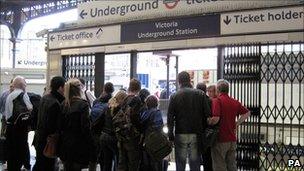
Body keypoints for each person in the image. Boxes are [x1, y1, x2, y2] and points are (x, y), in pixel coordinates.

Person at [167, 71, 211, 171]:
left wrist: (171, 135)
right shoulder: (200, 94)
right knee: (195, 163)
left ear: (179, 81)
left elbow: (170, 117)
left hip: (180, 132)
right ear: (189, 80)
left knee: (180, 163)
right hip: (196, 132)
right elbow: (207, 114)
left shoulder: (174, 96)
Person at [208, 79, 251, 171]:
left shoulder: (217, 101)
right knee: (231, 165)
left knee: (219, 165)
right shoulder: (234, 102)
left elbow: (216, 119)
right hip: (232, 139)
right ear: (228, 89)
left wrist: (208, 121)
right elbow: (247, 113)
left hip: (220, 139)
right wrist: (236, 123)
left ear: (218, 90)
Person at [59, 78, 96, 171]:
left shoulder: (63, 104)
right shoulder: (82, 105)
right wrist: (92, 144)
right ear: (79, 89)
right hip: (79, 145)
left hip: (65, 144)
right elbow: (85, 127)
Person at [33, 76, 66, 171]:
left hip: (39, 139)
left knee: (40, 164)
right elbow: (52, 126)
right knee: (48, 166)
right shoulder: (55, 103)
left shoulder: (45, 97)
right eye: (65, 87)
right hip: (47, 142)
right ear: (60, 88)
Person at [4, 76, 33, 171]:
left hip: (10, 126)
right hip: (19, 128)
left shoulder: (10, 95)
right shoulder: (22, 94)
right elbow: (29, 108)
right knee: (20, 150)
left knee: (11, 152)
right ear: (22, 85)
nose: (26, 85)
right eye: (25, 84)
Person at [116, 78, 143, 171]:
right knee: (133, 162)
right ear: (139, 88)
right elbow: (135, 117)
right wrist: (140, 130)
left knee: (122, 162)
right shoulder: (136, 99)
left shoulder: (124, 99)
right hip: (132, 135)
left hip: (122, 134)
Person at [100, 90, 128, 171]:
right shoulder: (119, 109)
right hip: (113, 138)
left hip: (103, 136)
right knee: (118, 161)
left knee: (107, 162)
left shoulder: (108, 107)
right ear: (122, 99)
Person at [90, 82, 115, 171]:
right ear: (113, 90)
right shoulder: (112, 102)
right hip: (106, 131)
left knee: (99, 157)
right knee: (108, 158)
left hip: (96, 132)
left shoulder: (97, 101)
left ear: (104, 89)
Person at [140, 95, 164, 171]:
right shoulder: (157, 112)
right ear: (157, 103)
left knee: (147, 163)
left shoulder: (144, 113)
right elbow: (158, 126)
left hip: (146, 141)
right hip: (155, 142)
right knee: (157, 163)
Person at [196, 82, 213, 171]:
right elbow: (210, 115)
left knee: (195, 156)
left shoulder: (193, 101)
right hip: (207, 131)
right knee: (207, 156)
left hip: (195, 131)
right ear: (205, 90)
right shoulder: (210, 101)